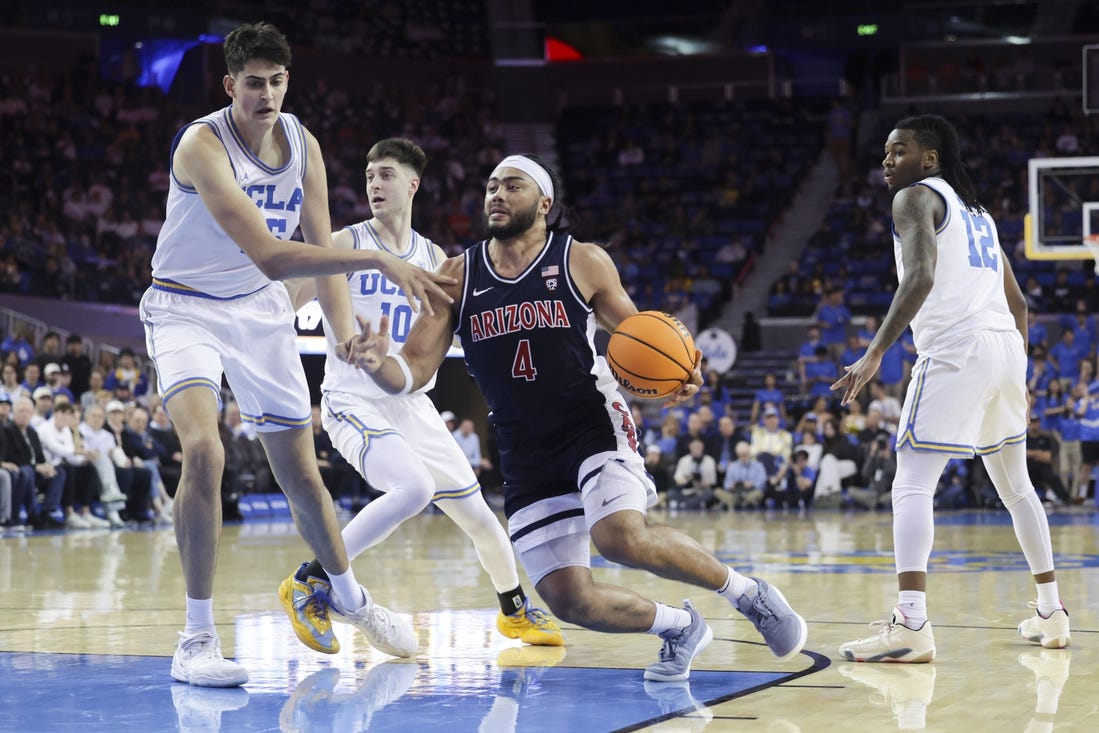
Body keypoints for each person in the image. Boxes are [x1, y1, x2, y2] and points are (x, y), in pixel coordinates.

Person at [348, 152, 806, 681]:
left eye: (511, 186)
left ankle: (750, 595)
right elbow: (413, 371)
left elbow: (641, 335)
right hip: (522, 447)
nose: (495, 194)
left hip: (590, 422)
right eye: (491, 185)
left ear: (544, 202)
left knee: (619, 536)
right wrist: (378, 363)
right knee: (569, 600)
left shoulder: (580, 259)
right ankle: (678, 626)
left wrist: (681, 372)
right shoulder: (457, 274)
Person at [138, 22, 452, 688]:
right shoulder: (202, 144)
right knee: (205, 449)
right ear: (230, 85)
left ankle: (351, 598)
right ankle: (195, 637)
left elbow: (315, 249)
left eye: (277, 81)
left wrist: (343, 334)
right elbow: (277, 255)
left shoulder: (302, 143)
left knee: (303, 476)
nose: (267, 94)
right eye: (253, 82)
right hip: (184, 306)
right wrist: (373, 254)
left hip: (260, 314)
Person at [280, 137, 562, 649]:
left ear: (412, 184)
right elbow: (286, 296)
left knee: (479, 516)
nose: (374, 184)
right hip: (352, 399)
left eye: (385, 174)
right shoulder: (344, 244)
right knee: (413, 489)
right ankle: (311, 579)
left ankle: (514, 611)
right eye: (368, 175)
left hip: (412, 403)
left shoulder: (434, 258)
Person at [833, 114, 1070, 663]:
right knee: (1017, 488)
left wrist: (874, 353)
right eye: (886, 152)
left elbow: (920, 278)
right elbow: (1020, 304)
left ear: (929, 159)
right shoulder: (979, 214)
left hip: (958, 349)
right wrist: (1020, 373)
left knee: (912, 481)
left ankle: (911, 625)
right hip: (1005, 348)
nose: (887, 161)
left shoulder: (915, 198)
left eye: (899, 150)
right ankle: (1051, 611)